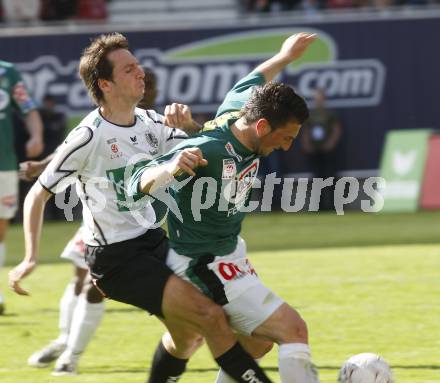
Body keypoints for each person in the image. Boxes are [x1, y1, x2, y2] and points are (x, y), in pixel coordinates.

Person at [8, 33, 274, 383]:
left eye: (138, 66)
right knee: (208, 317)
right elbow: (37, 195)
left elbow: (208, 145)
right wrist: (29, 257)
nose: (141, 74)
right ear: (105, 84)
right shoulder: (88, 136)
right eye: (130, 68)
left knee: (198, 336)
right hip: (116, 258)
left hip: (153, 242)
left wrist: (189, 126)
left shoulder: (149, 123)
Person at [130, 33, 321, 383]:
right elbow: (135, 182)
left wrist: (284, 56)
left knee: (253, 343)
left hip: (230, 252)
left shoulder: (239, 111)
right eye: (286, 137)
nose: (288, 146)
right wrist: (169, 168)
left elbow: (254, 79)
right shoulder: (207, 150)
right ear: (263, 127)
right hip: (202, 261)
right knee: (293, 330)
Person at [0, 60, 44, 315]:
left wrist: (36, 135)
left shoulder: (7, 72)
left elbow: (28, 109)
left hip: (3, 164)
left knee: (1, 226)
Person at [301, 88, 342, 211]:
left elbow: (336, 129)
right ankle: (319, 206)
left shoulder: (329, 114)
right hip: (315, 149)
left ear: (324, 98)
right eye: (316, 97)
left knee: (330, 177)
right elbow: (306, 130)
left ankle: (333, 204)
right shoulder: (311, 114)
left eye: (320, 97)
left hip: (327, 150)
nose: (318, 100)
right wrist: (306, 143)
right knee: (317, 178)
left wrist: (331, 143)